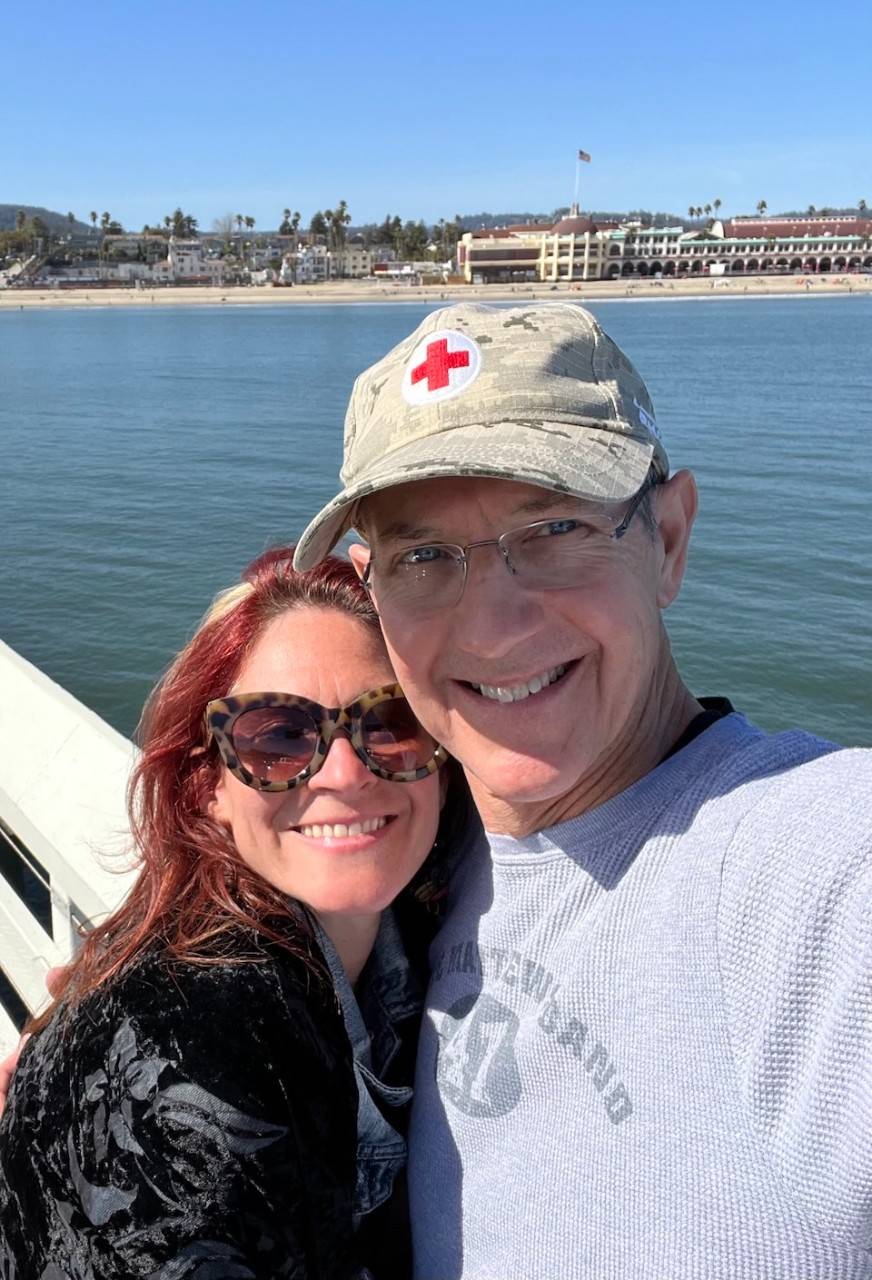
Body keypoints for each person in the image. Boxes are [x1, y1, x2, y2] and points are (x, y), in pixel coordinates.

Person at [291, 302, 872, 1278]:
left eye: (554, 526)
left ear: (670, 538)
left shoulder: (809, 866)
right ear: (369, 587)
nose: (494, 622)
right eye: (423, 554)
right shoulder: (410, 842)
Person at [0, 547, 462, 1279]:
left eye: (392, 721)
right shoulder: (199, 1054)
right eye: (278, 735)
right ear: (205, 784)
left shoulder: (397, 933)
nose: (344, 773)